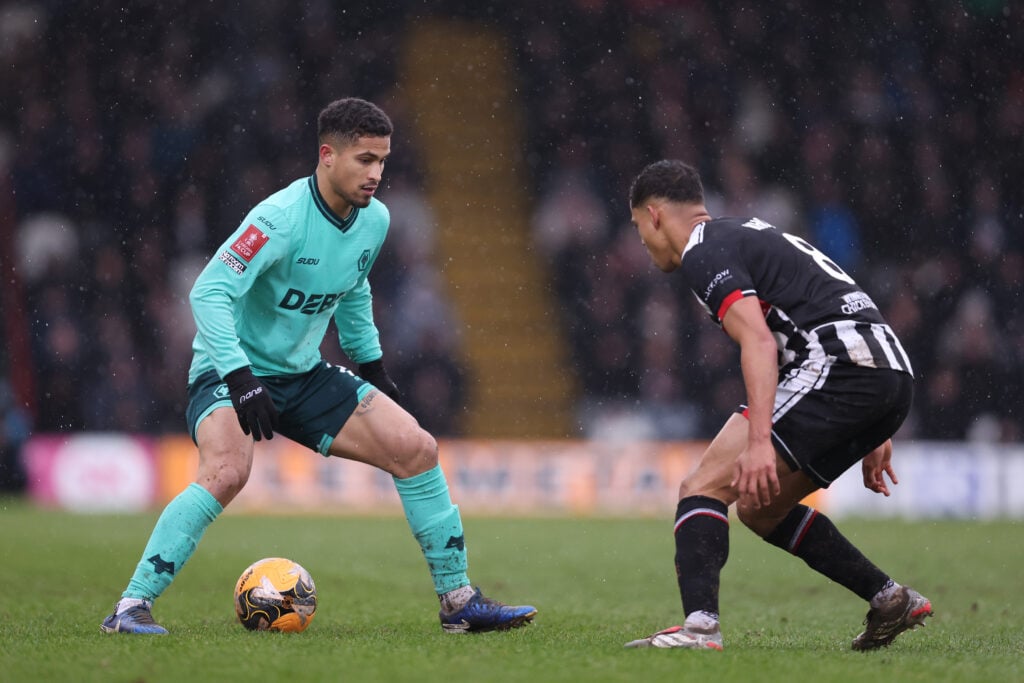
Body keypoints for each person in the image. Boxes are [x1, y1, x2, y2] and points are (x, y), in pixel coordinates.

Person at [101, 97, 536, 635]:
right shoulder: (278, 218)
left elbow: (353, 289)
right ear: (327, 155)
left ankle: (459, 603)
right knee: (227, 472)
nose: (376, 173)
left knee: (417, 449)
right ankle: (130, 607)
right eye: (364, 159)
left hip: (304, 375)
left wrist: (373, 368)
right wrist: (240, 377)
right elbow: (208, 291)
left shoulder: (374, 221)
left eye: (382, 160)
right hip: (225, 370)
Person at [622, 160, 931, 651]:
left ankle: (700, 629)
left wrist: (761, 441)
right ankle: (890, 598)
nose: (644, 242)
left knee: (701, 486)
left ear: (654, 215)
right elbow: (828, 298)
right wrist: (876, 422)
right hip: (885, 371)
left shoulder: (704, 252)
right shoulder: (746, 234)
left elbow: (761, 344)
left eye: (640, 229)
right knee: (762, 510)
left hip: (840, 369)